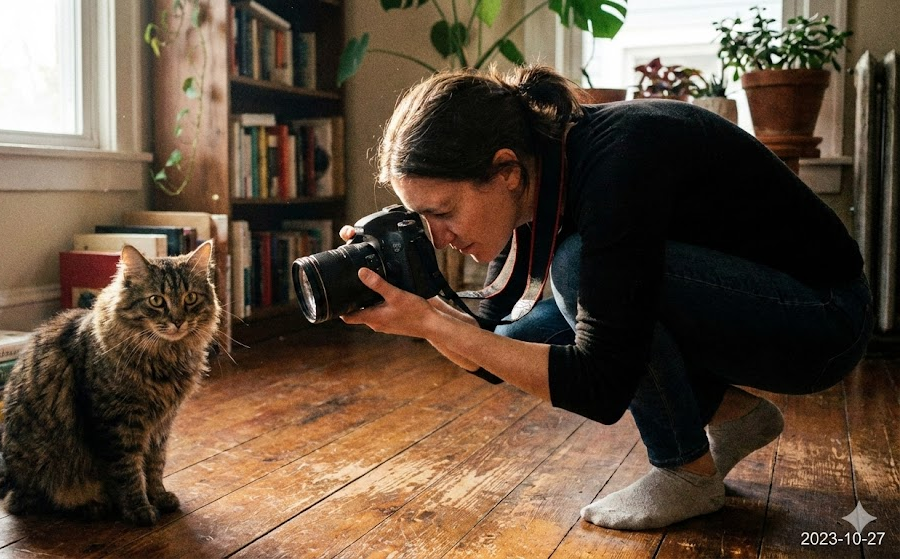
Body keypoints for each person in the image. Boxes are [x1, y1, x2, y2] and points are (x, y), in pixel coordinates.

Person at [339, 65, 872, 531]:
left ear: (505, 171)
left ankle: (685, 474)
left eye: (443, 212)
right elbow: (494, 349)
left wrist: (437, 327)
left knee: (574, 272)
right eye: (420, 218)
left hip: (822, 321)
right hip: (755, 303)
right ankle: (732, 416)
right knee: (526, 333)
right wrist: (417, 300)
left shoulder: (618, 161)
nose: (437, 234)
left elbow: (602, 384)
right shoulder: (537, 171)